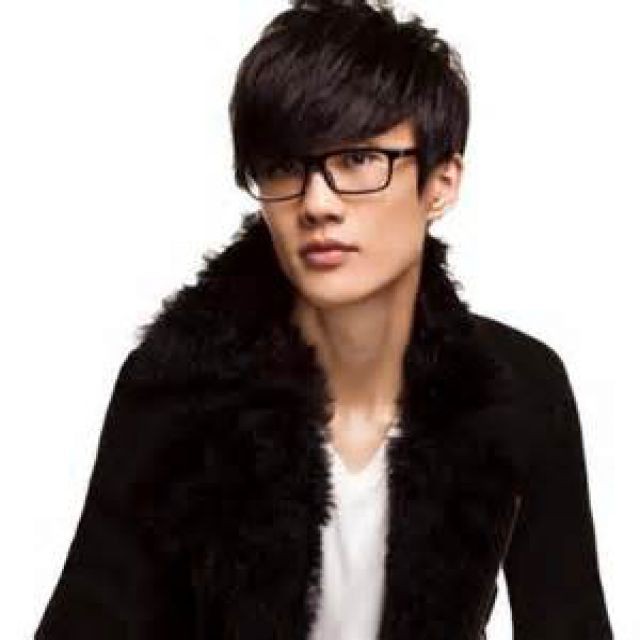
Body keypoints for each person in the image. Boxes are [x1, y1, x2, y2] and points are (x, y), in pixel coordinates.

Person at [34, 1, 614, 638]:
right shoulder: (178, 385)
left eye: (358, 159)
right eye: (286, 166)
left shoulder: (518, 387)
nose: (317, 203)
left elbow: (571, 626)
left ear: (441, 183)